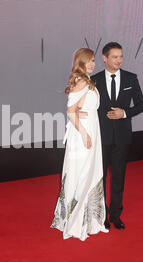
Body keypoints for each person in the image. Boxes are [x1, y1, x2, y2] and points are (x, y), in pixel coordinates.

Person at [50, 48, 109, 241]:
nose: (92, 64)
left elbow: (79, 108)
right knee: (82, 172)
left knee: (88, 172)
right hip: (83, 134)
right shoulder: (81, 81)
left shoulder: (86, 80)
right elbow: (70, 111)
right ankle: (76, 220)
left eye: (93, 60)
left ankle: (87, 219)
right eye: (88, 61)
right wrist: (84, 134)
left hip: (91, 129)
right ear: (80, 62)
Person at [91, 42, 143, 230]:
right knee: (101, 178)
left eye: (121, 56)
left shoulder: (131, 78)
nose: (119, 60)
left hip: (122, 137)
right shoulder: (94, 80)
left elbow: (141, 105)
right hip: (101, 137)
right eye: (115, 57)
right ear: (104, 58)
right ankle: (102, 215)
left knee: (119, 178)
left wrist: (125, 113)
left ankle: (116, 215)